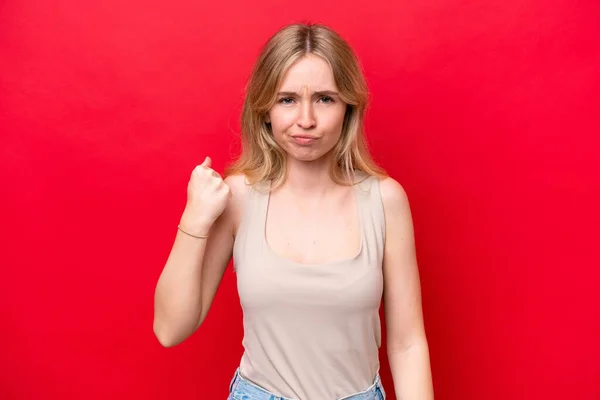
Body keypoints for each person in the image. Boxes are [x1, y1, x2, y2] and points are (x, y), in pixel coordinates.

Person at [153, 23, 434, 400]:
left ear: (348, 107)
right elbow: (170, 329)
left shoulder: (385, 201)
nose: (306, 120)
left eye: (324, 98)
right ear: (264, 109)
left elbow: (407, 344)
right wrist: (194, 220)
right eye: (287, 99)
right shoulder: (237, 198)